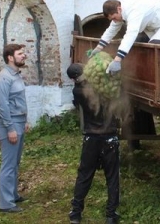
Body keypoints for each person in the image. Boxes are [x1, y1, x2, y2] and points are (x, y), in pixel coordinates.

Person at [67, 64, 121, 224]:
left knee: (84, 175)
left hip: (91, 138)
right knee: (112, 177)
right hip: (109, 137)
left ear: (72, 79)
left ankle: (75, 214)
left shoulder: (76, 91)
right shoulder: (101, 87)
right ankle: (111, 215)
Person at [89, 0, 160, 74]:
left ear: (119, 9)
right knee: (138, 41)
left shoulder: (134, 11)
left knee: (152, 46)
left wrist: (117, 60)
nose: (115, 21)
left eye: (114, 18)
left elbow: (131, 34)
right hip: (152, 25)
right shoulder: (119, 11)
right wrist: (98, 48)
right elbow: (112, 30)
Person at [0, 44, 31, 213]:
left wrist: (25, 120)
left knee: (15, 162)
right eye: (20, 53)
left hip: (18, 121)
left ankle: (13, 194)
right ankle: (6, 203)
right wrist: (10, 128)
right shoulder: (3, 78)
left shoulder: (15, 75)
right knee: (8, 164)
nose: (24, 56)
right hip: (9, 124)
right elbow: (2, 106)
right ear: (10, 57)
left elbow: (19, 99)